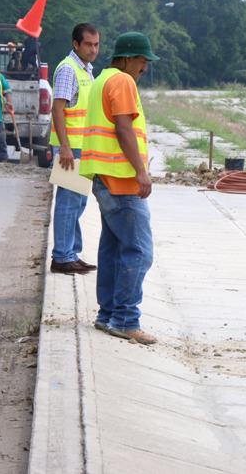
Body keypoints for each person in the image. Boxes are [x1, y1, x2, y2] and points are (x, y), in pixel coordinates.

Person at [79, 32, 160, 345]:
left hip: (103, 178)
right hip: (122, 180)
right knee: (139, 251)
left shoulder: (102, 79)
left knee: (113, 248)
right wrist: (141, 171)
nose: (144, 67)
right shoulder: (123, 82)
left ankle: (107, 314)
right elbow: (123, 127)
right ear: (127, 58)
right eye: (142, 61)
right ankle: (126, 320)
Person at [49, 23, 100, 275]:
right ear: (75, 44)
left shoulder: (86, 70)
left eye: (96, 44)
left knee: (77, 203)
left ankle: (71, 252)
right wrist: (66, 147)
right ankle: (61, 256)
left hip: (82, 147)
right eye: (88, 44)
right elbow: (58, 109)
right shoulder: (68, 70)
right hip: (71, 149)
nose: (93, 49)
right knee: (68, 203)